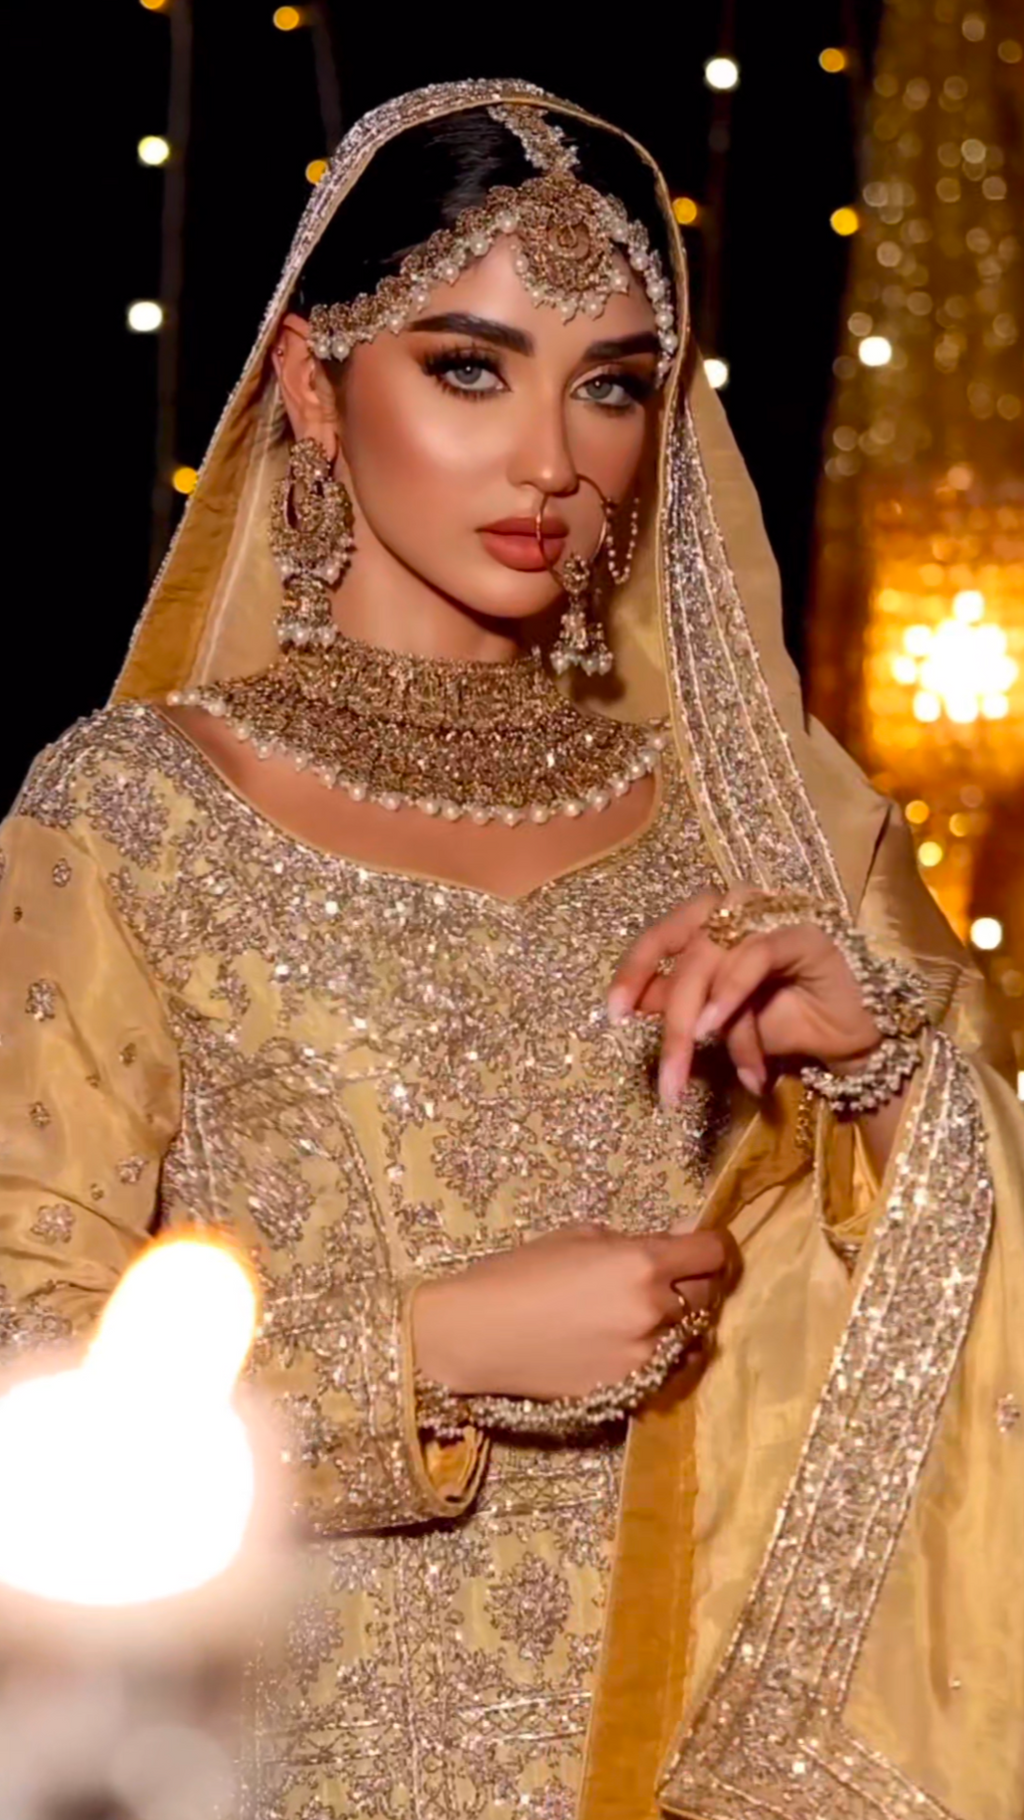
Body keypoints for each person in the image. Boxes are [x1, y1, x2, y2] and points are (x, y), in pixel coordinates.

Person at [1, 80, 1021, 1820]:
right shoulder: (129, 817)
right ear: (315, 390)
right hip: (263, 1757)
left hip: (711, 1757)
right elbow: (30, 1402)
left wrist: (898, 1076)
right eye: (468, 367)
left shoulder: (763, 833)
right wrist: (434, 1340)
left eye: (612, 382)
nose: (554, 458)